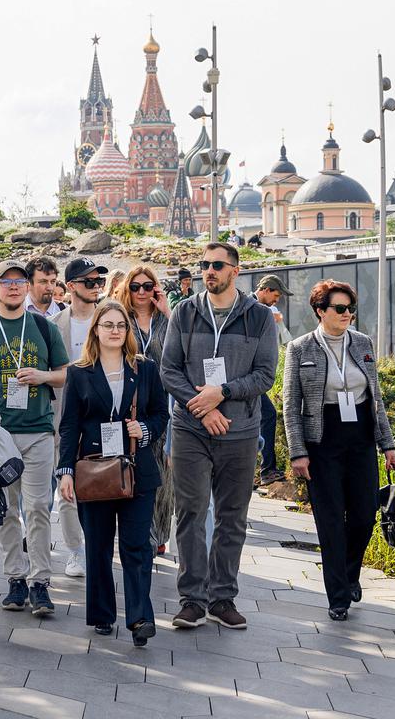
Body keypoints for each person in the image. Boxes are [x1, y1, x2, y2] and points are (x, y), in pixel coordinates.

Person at [160, 242, 278, 630]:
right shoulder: (185, 312)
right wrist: (204, 406)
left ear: (235, 271)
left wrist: (222, 393)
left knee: (232, 517)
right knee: (190, 513)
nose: (208, 271)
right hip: (192, 428)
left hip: (240, 431)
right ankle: (191, 599)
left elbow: (265, 375)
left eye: (216, 265)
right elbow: (169, 370)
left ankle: (222, 597)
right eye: (204, 265)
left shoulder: (259, 316)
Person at [283, 279, 395, 621]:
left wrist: (387, 444)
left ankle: (350, 573)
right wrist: (297, 452)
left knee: (364, 514)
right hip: (323, 440)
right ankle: (338, 596)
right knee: (330, 520)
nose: (347, 314)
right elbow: (291, 404)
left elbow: (375, 398)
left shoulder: (362, 343)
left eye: (350, 308)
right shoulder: (301, 348)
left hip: (361, 435)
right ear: (321, 311)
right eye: (340, 308)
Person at [57, 300, 169, 646]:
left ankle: (140, 618)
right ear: (96, 330)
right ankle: (103, 614)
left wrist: (145, 431)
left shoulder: (145, 368)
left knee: (137, 546)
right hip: (94, 472)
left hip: (138, 471)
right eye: (108, 325)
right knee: (99, 547)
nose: (115, 330)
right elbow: (69, 425)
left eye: (121, 324)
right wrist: (65, 472)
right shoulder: (79, 372)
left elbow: (160, 413)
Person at [0, 260, 69, 616]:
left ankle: (41, 582)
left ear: (27, 288)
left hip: (38, 430)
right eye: (6, 282)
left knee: (39, 507)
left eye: (19, 282)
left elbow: (66, 373)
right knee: (4, 510)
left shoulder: (43, 326)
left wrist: (42, 376)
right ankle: (15, 579)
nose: (13, 287)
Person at [52, 257, 109, 577]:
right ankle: (75, 551)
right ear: (71, 286)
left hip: (105, 419)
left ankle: (98, 545)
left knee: (104, 484)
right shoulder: (55, 325)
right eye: (89, 282)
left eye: (99, 282)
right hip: (65, 419)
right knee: (67, 485)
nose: (95, 287)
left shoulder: (112, 319)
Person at [118, 266, 173, 552]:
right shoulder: (122, 320)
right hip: (129, 403)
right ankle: (139, 533)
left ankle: (159, 532)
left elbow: (182, 350)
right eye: (135, 286)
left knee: (162, 469)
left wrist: (168, 310)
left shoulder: (165, 320)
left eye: (148, 286)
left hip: (162, 402)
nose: (141, 292)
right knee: (131, 465)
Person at [253, 274, 293, 486]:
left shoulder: (267, 312)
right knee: (266, 415)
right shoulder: (251, 307)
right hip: (246, 378)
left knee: (260, 417)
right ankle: (266, 470)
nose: (276, 300)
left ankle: (262, 470)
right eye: (276, 295)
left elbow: (286, 340)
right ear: (266, 290)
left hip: (254, 379)